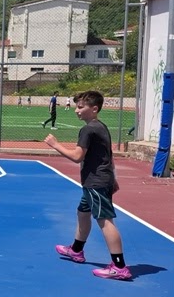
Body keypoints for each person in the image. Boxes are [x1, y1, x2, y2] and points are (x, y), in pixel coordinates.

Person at [46, 91, 131, 280]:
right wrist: (113, 178)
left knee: (105, 221)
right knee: (83, 212)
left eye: (80, 107)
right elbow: (108, 155)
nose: (76, 110)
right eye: (76, 106)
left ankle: (119, 266)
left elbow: (77, 157)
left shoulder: (89, 129)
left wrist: (55, 145)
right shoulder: (101, 127)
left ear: (94, 109)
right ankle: (76, 250)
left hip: (96, 182)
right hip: (99, 180)